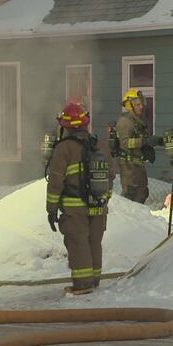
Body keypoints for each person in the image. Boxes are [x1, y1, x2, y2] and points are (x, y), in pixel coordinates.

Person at [46, 102, 113, 294]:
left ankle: (83, 284)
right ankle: (94, 279)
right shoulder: (100, 145)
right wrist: (103, 199)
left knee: (78, 242)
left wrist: (51, 208)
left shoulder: (63, 148)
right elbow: (111, 176)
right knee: (94, 242)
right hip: (98, 205)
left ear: (65, 126)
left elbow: (55, 182)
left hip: (74, 207)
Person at [115, 89, 161, 203]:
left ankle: (137, 219)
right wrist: (144, 142)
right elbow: (124, 143)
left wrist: (158, 141)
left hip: (137, 164)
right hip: (129, 166)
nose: (141, 107)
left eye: (142, 103)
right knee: (130, 194)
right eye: (138, 104)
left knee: (142, 192)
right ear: (130, 105)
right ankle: (126, 218)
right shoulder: (125, 122)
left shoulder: (138, 120)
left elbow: (142, 137)